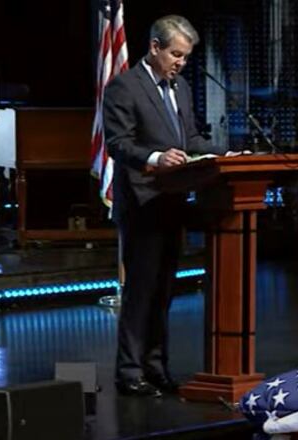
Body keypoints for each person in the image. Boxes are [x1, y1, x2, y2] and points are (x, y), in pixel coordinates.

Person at [104, 15, 222, 397]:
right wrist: (155, 157)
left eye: (185, 57)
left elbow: (188, 138)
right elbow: (118, 144)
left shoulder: (181, 88)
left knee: (164, 292)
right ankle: (129, 371)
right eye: (176, 55)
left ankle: (156, 368)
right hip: (142, 202)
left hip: (173, 201)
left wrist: (225, 155)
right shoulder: (124, 87)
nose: (181, 63)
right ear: (154, 47)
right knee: (141, 292)